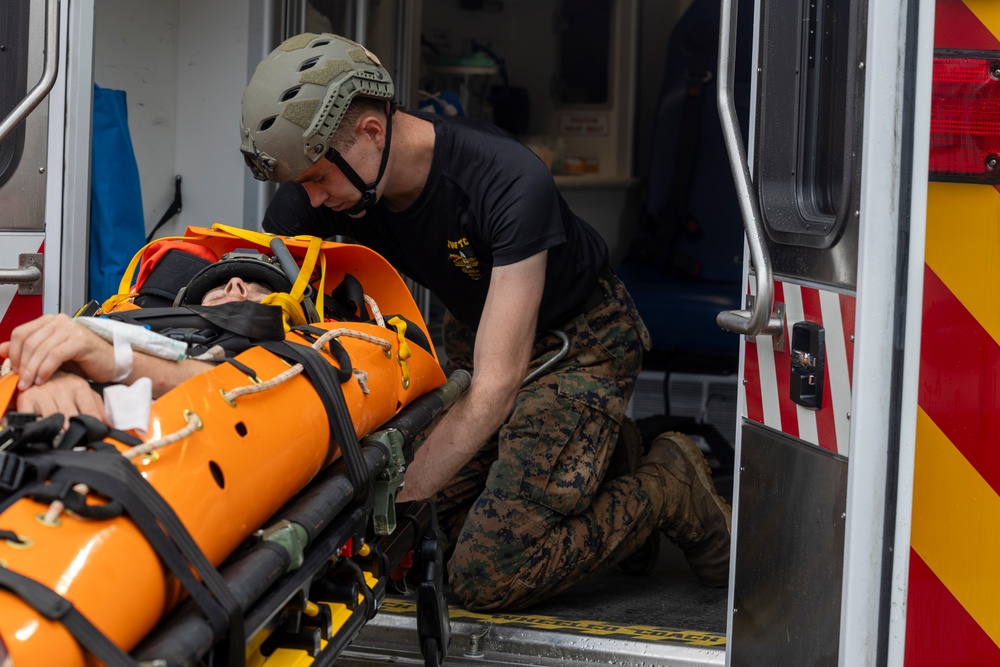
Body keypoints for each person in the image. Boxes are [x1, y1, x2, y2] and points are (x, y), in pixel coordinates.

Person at [241, 33, 733, 611]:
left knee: (487, 571)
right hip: (479, 334)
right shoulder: (326, 179)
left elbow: (498, 383)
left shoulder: (506, 181)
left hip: (580, 343)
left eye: (319, 180)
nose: (313, 201)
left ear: (372, 134)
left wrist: (394, 497)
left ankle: (667, 486)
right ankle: (600, 462)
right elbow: (261, 282)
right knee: (433, 534)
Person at [0, 253, 291, 421]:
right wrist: (53, 375)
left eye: (260, 288)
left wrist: (114, 359)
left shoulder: (288, 349)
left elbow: (256, 392)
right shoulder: (130, 321)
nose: (235, 284)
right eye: (218, 287)